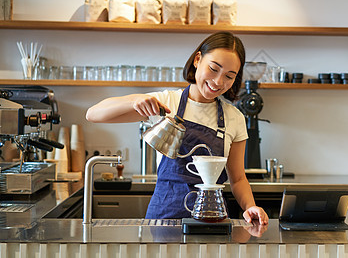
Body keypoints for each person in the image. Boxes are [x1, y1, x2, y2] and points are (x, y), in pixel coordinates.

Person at [86, 31, 268, 225]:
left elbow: (238, 179)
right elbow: (93, 114)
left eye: (229, 76)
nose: (218, 82)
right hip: (164, 217)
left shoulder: (234, 118)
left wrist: (250, 207)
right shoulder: (166, 103)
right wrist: (135, 100)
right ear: (198, 59)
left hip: (211, 219)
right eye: (214, 69)